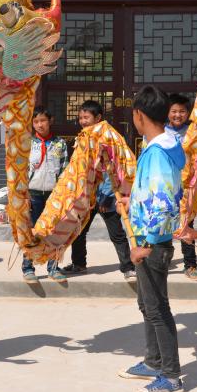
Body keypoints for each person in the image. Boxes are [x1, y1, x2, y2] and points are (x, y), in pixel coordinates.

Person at [117, 85, 188, 392]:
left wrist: (144, 243)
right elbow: (154, 192)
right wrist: (131, 198)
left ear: (139, 115)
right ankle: (153, 361)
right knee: (147, 305)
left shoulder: (158, 152)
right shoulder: (160, 146)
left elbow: (163, 202)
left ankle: (171, 377)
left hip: (152, 243)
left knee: (158, 309)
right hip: (151, 239)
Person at [60, 100, 135, 281]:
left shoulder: (107, 137)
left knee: (117, 234)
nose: (83, 121)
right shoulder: (83, 138)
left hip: (107, 196)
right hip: (88, 196)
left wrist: (107, 197)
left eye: (86, 117)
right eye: (80, 118)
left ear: (98, 117)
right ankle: (79, 263)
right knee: (79, 231)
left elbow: (112, 170)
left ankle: (128, 267)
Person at [21, 107, 69, 283]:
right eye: (36, 121)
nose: (40, 125)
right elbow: (21, 171)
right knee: (32, 232)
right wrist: (24, 195)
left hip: (53, 196)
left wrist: (62, 196)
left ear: (50, 121)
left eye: (43, 120)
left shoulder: (60, 143)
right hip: (32, 194)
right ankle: (28, 268)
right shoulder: (27, 143)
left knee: (54, 233)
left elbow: (64, 170)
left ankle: (53, 268)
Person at [165, 93, 197, 281]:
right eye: (174, 111)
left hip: (187, 187)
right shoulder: (160, 132)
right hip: (166, 185)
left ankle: (190, 265)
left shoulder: (193, 132)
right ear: (167, 112)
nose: (177, 115)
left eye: (182, 111)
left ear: (188, 113)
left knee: (187, 223)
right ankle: (164, 259)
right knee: (164, 223)